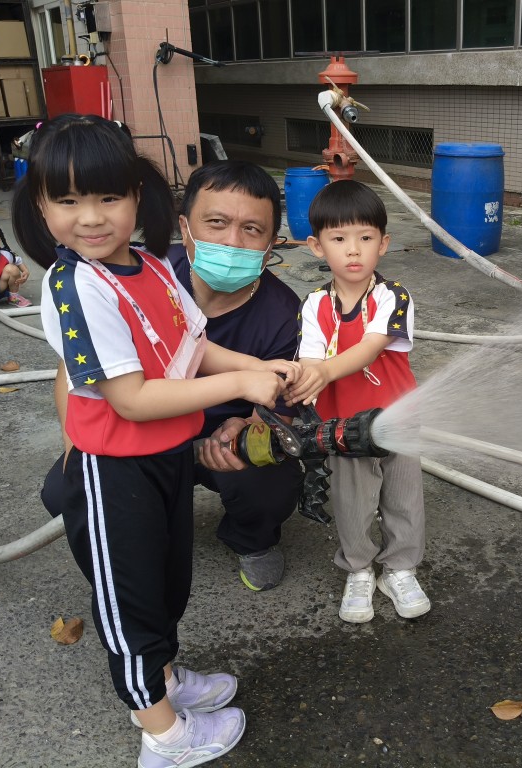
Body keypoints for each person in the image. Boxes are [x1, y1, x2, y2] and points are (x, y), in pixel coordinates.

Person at [12, 114, 302, 768]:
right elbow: (132, 399)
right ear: (41, 207)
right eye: (68, 201)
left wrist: (261, 368)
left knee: (167, 583)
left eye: (108, 197)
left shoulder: (149, 266)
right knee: (131, 606)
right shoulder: (77, 288)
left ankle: (165, 678)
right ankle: (164, 736)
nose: (91, 218)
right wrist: (247, 382)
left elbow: (194, 348)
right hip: (116, 468)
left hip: (163, 456)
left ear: (138, 197)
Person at [286, 179, 431, 624]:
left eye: (365, 238)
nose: (353, 250)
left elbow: (370, 348)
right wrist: (301, 384)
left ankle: (400, 568)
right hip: (343, 427)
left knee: (403, 497)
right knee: (352, 502)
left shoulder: (393, 296)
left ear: (383, 244)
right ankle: (359, 568)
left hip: (398, 418)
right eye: (339, 239)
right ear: (316, 246)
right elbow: (311, 360)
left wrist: (322, 373)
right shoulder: (314, 304)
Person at [169, 160, 304, 591]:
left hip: (225, 432)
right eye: (216, 222)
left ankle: (251, 538)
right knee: (69, 487)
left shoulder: (286, 314)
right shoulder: (149, 279)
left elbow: (282, 404)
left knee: (270, 475)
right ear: (185, 228)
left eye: (251, 229)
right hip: (148, 424)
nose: (232, 241)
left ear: (271, 245)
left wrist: (248, 426)